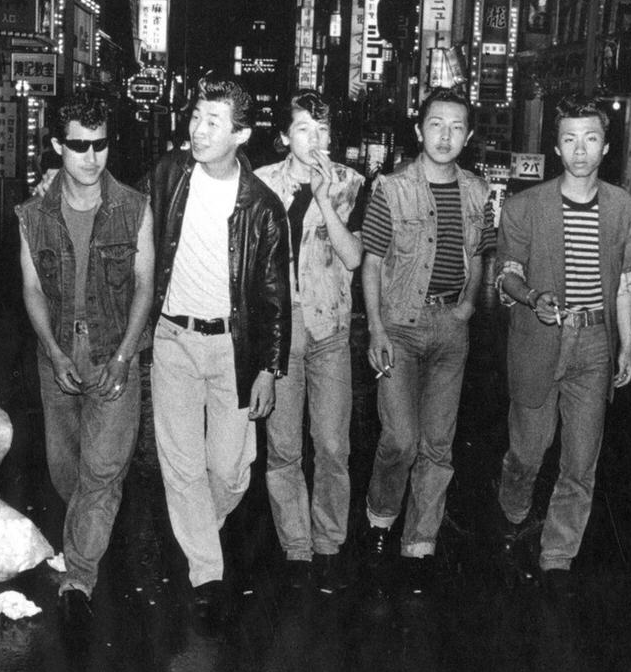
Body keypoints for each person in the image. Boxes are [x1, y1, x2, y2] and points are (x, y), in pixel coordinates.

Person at [145, 74, 290, 628]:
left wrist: (269, 368)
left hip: (234, 346)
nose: (198, 130)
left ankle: (198, 525)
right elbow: (123, 211)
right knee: (181, 465)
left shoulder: (262, 206)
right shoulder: (167, 176)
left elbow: (275, 294)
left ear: (241, 134)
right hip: (173, 339)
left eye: (213, 122)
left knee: (229, 470)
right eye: (196, 117)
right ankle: (207, 570)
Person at [16, 95, 155, 633]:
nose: (91, 158)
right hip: (59, 354)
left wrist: (125, 354)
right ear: (58, 147)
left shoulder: (134, 208)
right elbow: (30, 288)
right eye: (78, 146)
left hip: (113, 353)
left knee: (102, 472)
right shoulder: (33, 215)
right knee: (66, 470)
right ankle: (90, 532)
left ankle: (79, 577)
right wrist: (51, 352)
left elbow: (145, 286)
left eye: (99, 145)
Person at [494, 96, 631, 597]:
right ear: (556, 146)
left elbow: (625, 281)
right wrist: (532, 297)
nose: (581, 150)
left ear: (606, 146)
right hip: (539, 338)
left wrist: (626, 345)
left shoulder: (627, 209)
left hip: (595, 343)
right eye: (570, 139)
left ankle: (557, 554)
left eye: (592, 138)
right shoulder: (524, 207)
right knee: (528, 452)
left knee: (581, 461)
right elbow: (507, 273)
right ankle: (513, 507)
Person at [360, 87, 494, 590]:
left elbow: (479, 254)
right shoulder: (391, 189)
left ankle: (420, 540)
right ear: (420, 130)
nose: (446, 136)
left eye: (457, 127)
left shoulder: (479, 192)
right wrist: (375, 328)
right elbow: (372, 262)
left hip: (449, 331)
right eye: (436, 125)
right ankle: (380, 516)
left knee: (438, 444)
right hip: (398, 325)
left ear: (469, 136)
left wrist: (466, 305)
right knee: (400, 438)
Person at [254, 91, 365, 593]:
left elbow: (354, 257)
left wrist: (323, 196)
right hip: (279, 326)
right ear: (284, 136)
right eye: (302, 129)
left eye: (321, 130)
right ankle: (295, 543)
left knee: (333, 442)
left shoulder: (350, 182)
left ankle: (330, 540)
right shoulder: (258, 185)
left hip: (330, 326)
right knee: (282, 446)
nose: (314, 140)